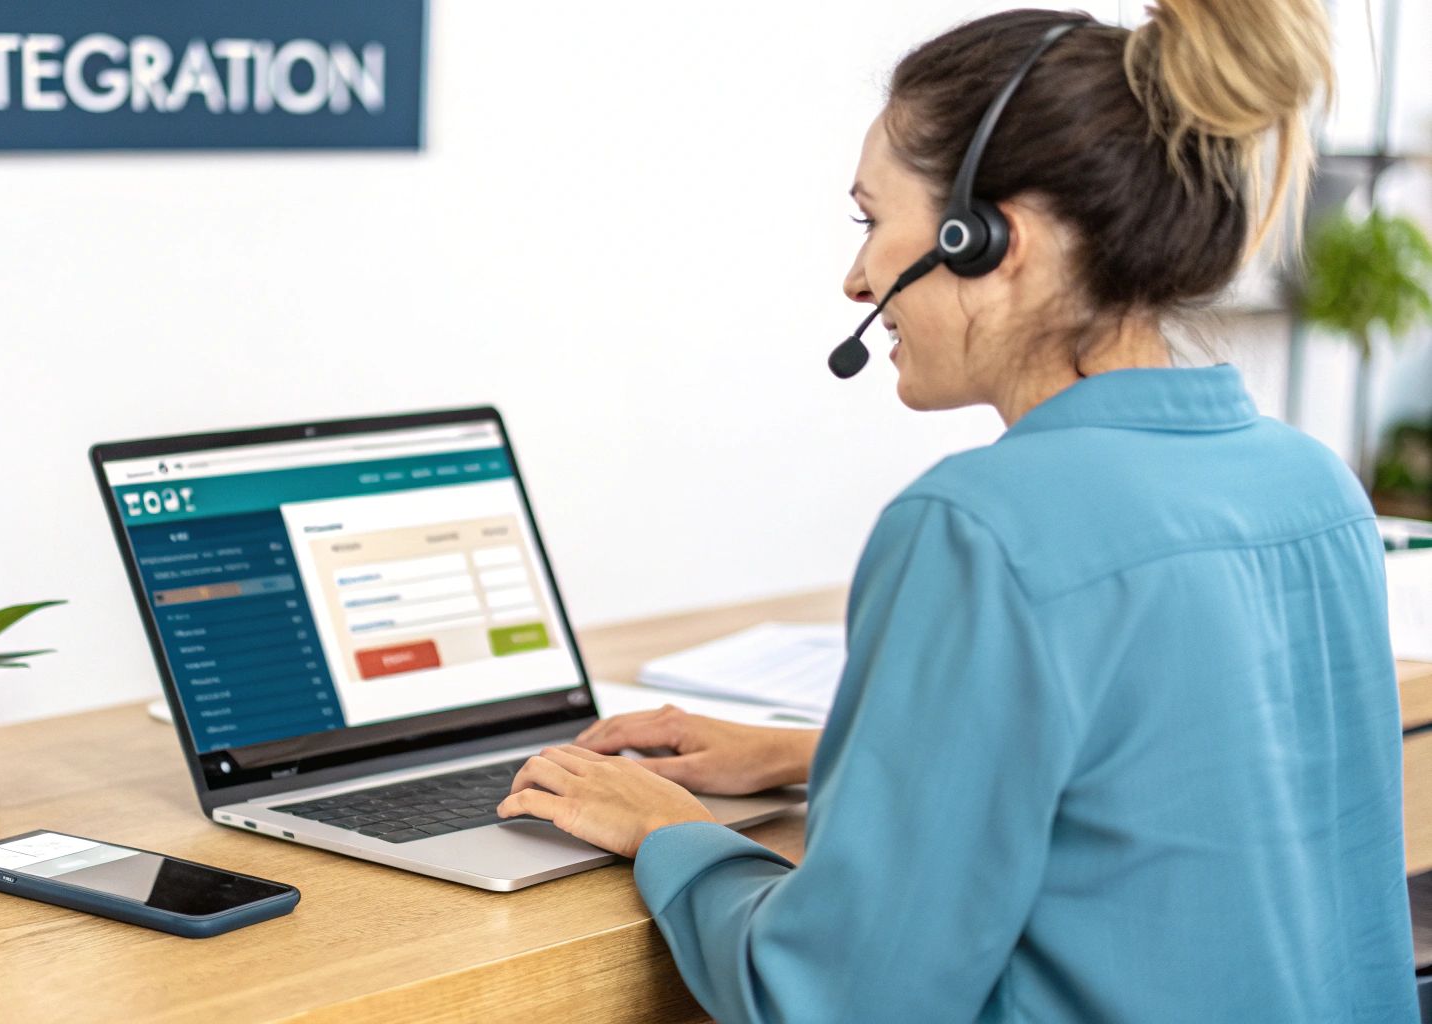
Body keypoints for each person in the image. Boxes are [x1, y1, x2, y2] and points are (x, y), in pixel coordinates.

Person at [497, 3, 1418, 1020]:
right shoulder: (1312, 485)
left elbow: (831, 997)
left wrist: (668, 828)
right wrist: (823, 756)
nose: (855, 277)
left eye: (868, 221)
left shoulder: (977, 527)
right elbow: (1185, 789)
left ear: (982, 240)